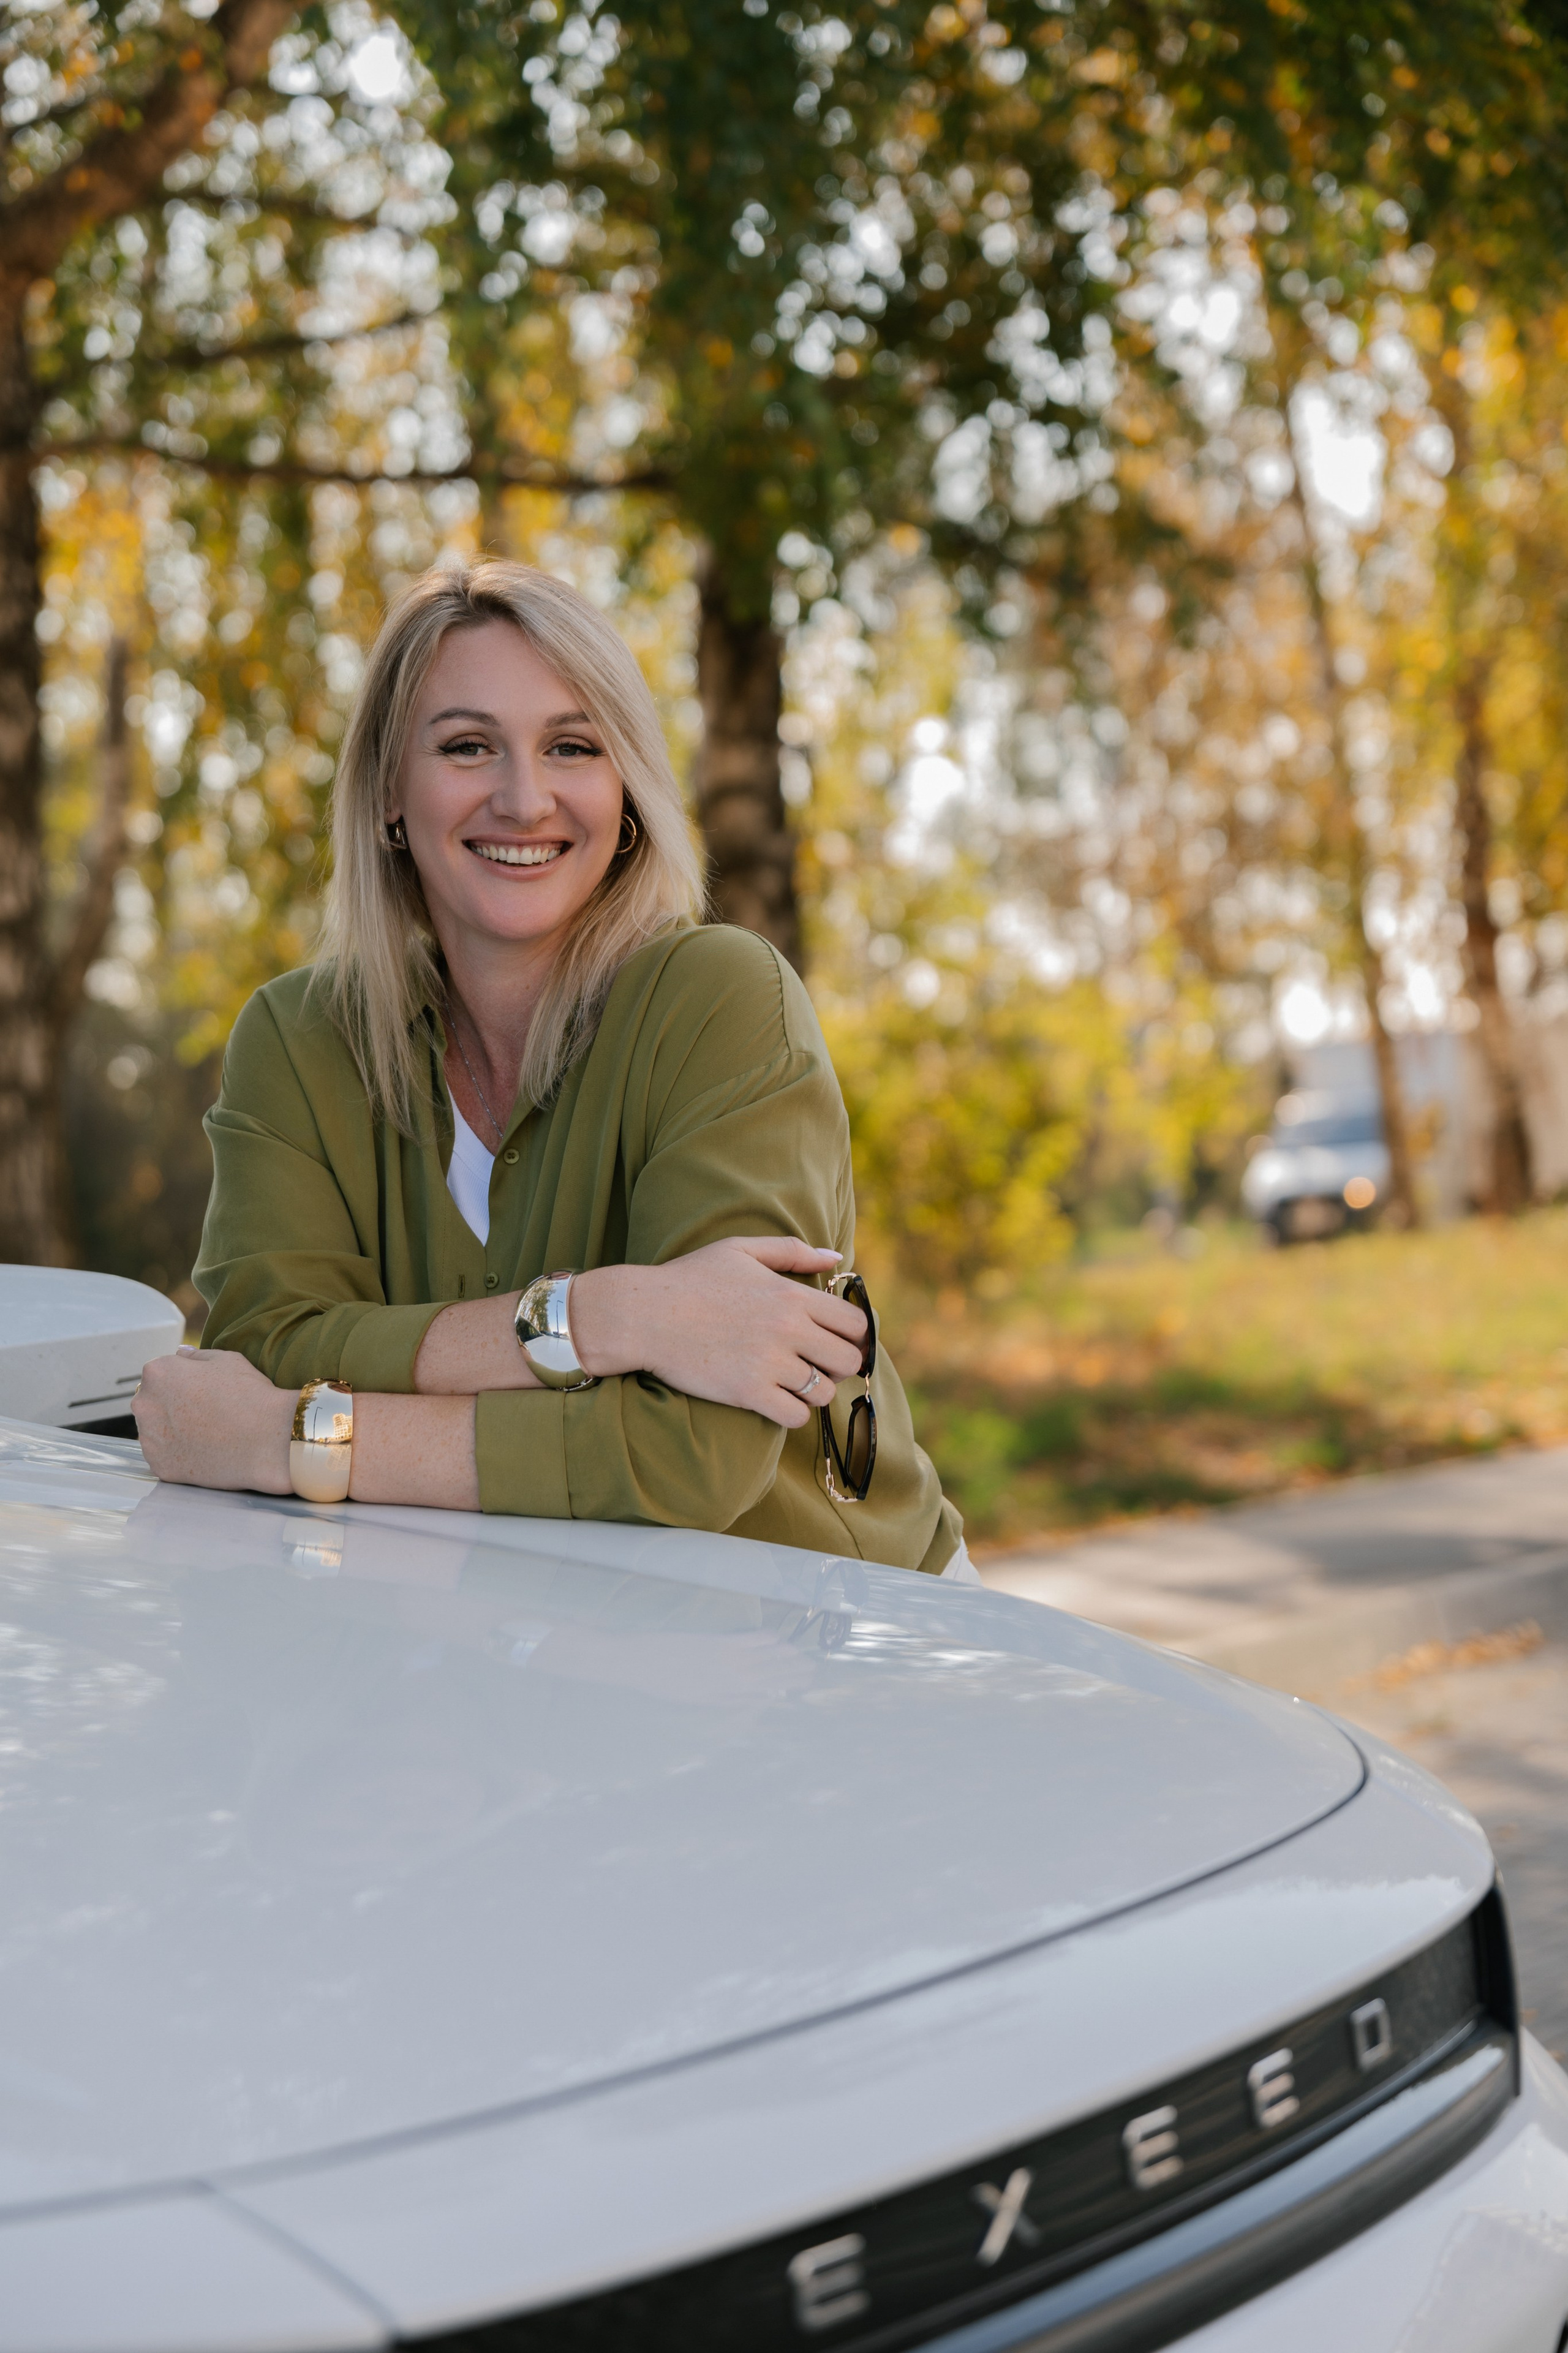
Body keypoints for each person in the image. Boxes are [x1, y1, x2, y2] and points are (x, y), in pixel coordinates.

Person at [134, 560, 967, 1577]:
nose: (524, 798)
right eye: (468, 745)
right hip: (497, 1638)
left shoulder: (724, 1001)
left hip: (831, 1636)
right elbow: (267, 1346)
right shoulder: (297, 1039)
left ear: (625, 794)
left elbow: (692, 1459)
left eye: (571, 745)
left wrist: (285, 1444)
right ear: (391, 791)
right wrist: (612, 1319)